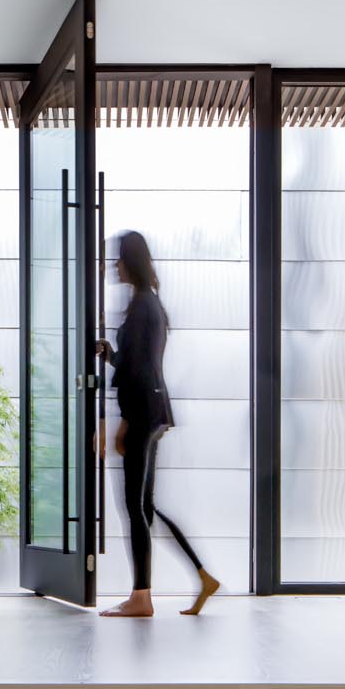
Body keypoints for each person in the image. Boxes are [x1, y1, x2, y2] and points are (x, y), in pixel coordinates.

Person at [96, 229, 220, 618]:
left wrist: (126, 422)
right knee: (144, 507)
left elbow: (143, 370)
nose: (113, 266)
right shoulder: (148, 304)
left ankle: (141, 597)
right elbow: (135, 363)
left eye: (117, 259)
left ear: (130, 261)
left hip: (143, 412)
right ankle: (202, 576)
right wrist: (110, 354)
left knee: (133, 506)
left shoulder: (142, 307)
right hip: (152, 411)